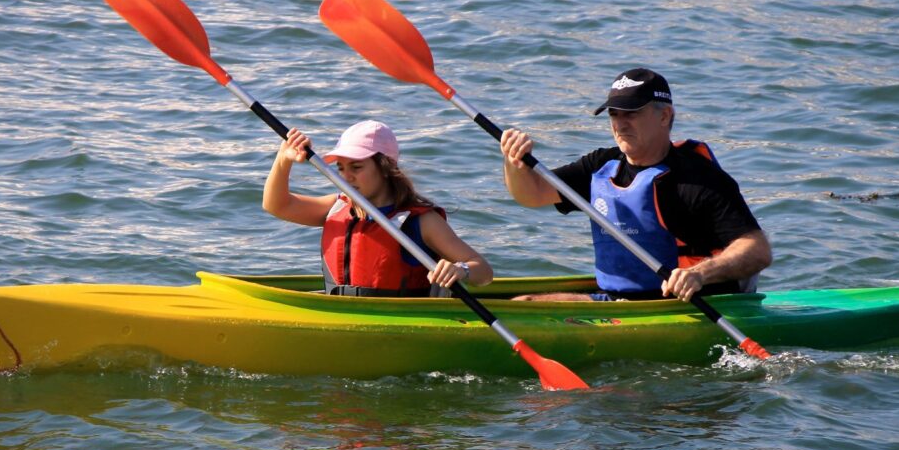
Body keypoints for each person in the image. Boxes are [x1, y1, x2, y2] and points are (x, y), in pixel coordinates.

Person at [498, 68, 771, 302]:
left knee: (528, 303)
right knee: (526, 301)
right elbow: (532, 194)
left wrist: (699, 274)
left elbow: (757, 250)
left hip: (689, 303)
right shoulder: (601, 165)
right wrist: (513, 162)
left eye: (631, 113)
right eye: (614, 114)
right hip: (620, 300)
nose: (620, 124)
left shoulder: (698, 179)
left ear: (664, 116)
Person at [263, 119, 493, 296]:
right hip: (342, 313)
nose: (347, 177)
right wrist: (283, 159)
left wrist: (460, 269)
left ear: (384, 167)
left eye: (356, 167)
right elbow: (276, 205)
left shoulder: (422, 222)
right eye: (341, 168)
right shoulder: (336, 207)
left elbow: (483, 271)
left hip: (398, 323)